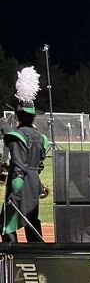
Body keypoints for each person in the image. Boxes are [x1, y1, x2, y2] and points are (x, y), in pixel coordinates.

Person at [1, 98, 48, 243]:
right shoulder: (42, 138)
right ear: (33, 116)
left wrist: (14, 194)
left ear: (17, 116)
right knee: (31, 221)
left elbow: (20, 168)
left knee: (6, 224)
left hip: (20, 183)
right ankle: (37, 256)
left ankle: (13, 257)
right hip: (34, 183)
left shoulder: (17, 136)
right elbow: (38, 165)